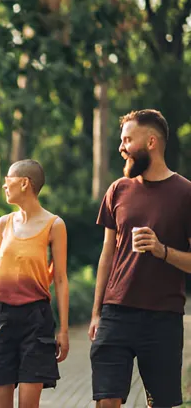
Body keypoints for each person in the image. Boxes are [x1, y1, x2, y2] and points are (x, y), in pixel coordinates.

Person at [89, 109, 191, 408]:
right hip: (116, 313)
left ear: (150, 142)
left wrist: (162, 251)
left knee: (160, 404)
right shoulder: (118, 190)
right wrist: (97, 313)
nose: (121, 147)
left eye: (127, 140)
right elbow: (107, 254)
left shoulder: (186, 193)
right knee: (107, 400)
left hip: (164, 317)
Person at [0, 159, 69, 408]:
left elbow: (61, 279)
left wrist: (63, 330)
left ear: (24, 183)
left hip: (37, 320)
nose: (5, 186)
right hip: (3, 318)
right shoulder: (4, 223)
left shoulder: (55, 225)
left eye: (8, 180)